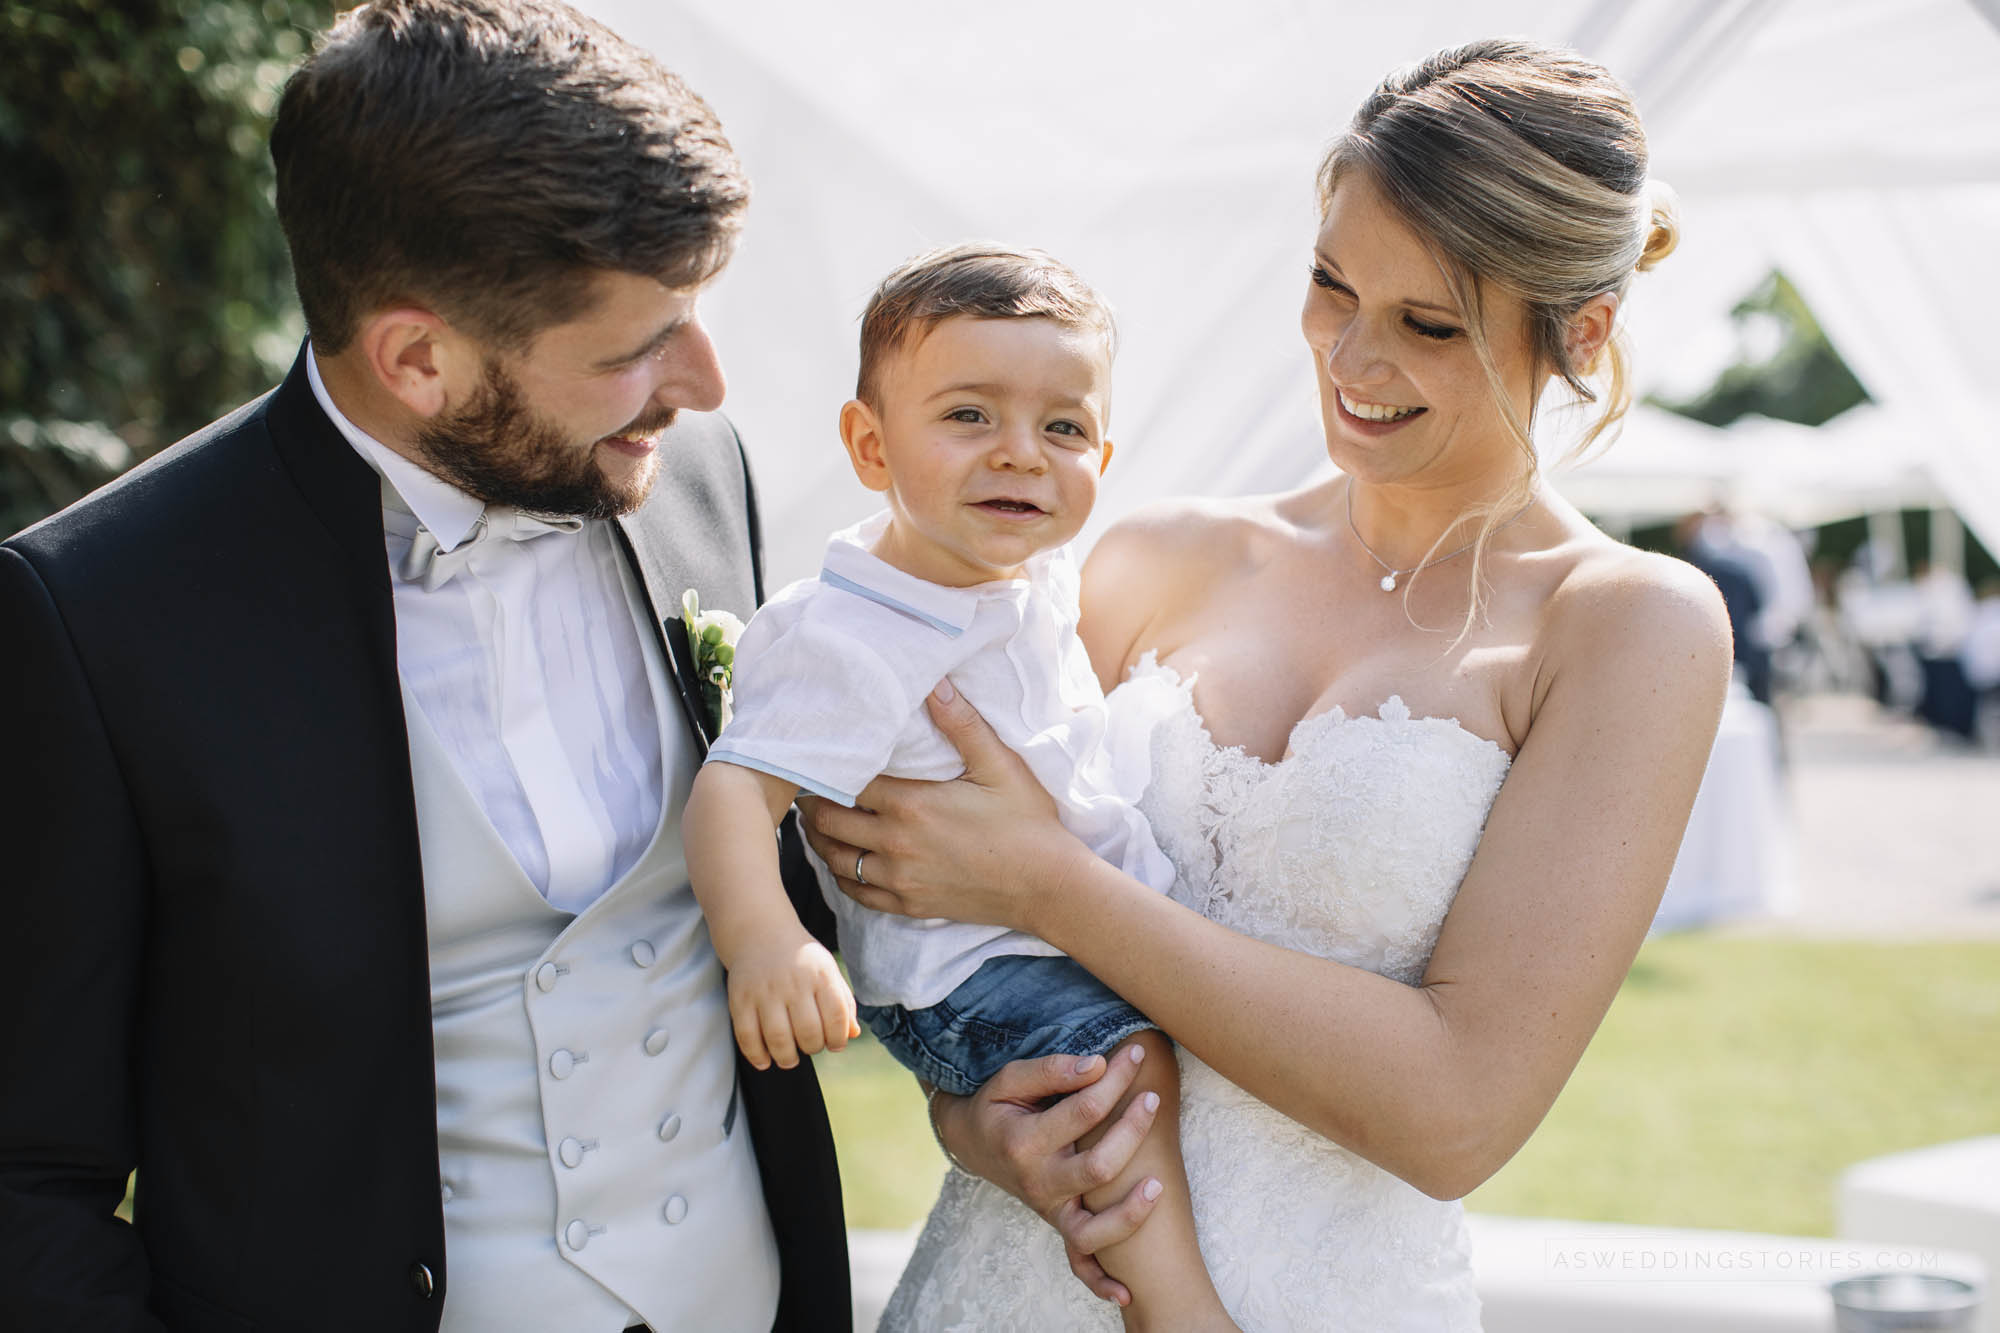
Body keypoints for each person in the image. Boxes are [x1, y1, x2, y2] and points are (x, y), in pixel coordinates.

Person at [800, 38, 1733, 1329]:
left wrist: (1050, 883)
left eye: (1426, 325)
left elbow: (1456, 1115)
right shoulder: (1149, 554)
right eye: (1330, 285)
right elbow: (938, 918)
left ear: (1580, 331)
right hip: (1001, 1285)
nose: (1350, 358)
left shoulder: (1625, 624)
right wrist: (969, 1117)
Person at [0, 2, 868, 1328]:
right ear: (417, 357)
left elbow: (786, 887)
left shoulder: (693, 474)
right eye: (637, 347)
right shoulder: (95, 614)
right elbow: (28, 1175)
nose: (702, 382)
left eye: (692, 314)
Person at [686, 243, 1236, 1331]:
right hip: (970, 974)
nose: (1020, 453)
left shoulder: (1024, 579)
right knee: (1114, 1075)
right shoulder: (851, 633)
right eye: (969, 416)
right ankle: (1179, 1313)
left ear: (1101, 456)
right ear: (869, 444)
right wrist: (766, 942)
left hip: (1048, 933)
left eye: (1062, 428)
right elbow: (733, 793)